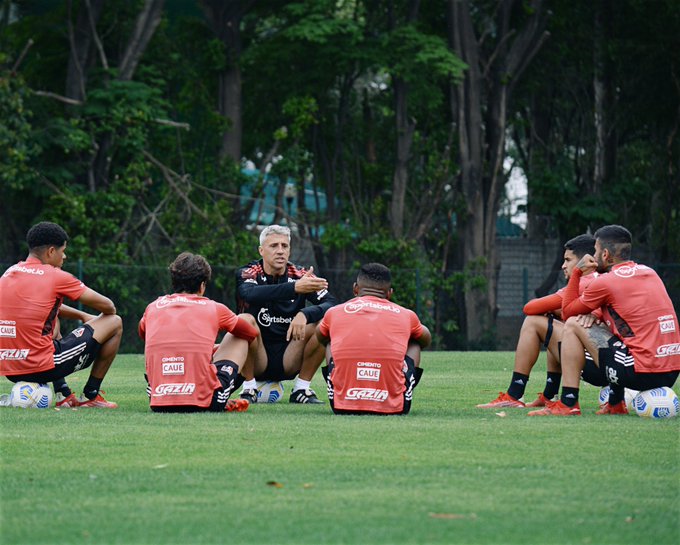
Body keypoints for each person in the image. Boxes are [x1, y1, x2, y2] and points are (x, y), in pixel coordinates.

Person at [528, 224, 680, 416]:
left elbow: (567, 312)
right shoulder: (650, 273)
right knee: (617, 334)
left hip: (642, 372)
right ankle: (615, 404)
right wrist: (598, 315)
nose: (593, 255)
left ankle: (568, 404)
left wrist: (576, 273)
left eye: (596, 250)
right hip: (671, 371)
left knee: (574, 324)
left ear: (606, 254)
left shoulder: (605, 281)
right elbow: (628, 320)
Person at [0, 221, 122, 408]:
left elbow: (42, 307)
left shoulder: (10, 272)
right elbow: (109, 306)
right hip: (40, 366)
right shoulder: (56, 276)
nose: (64, 256)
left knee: (51, 318)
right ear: (50, 252)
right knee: (114, 322)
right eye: (62, 250)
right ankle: (91, 395)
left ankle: (64, 395)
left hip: (10, 367)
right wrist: (91, 318)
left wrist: (82, 316)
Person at [477, 234, 606, 409]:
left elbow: (529, 308)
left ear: (584, 261)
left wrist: (555, 309)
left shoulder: (583, 283)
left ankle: (514, 394)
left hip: (590, 363)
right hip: (610, 363)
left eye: (568, 260)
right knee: (554, 323)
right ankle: (549, 396)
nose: (563, 265)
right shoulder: (604, 279)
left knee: (533, 322)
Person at [138, 252, 259, 412]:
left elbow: (144, 334)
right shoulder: (214, 308)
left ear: (174, 282)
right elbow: (250, 333)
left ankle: (167, 388)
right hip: (208, 401)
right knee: (243, 330)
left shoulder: (152, 307)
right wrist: (217, 348)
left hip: (159, 400)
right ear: (202, 285)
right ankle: (251, 385)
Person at [235, 225, 338, 404]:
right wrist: (294, 289)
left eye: (285, 246)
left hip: (290, 356)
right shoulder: (249, 272)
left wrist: (305, 314)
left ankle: (301, 389)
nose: (280, 251)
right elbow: (248, 294)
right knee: (244, 320)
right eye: (274, 246)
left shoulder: (301, 275)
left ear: (290, 251)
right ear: (261, 250)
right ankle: (249, 389)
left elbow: (333, 304)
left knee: (325, 322)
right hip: (257, 357)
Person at [316, 263, 432, 415]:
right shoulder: (406, 314)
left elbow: (319, 335)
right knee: (415, 342)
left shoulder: (334, 312)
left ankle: (342, 391)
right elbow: (426, 338)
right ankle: (396, 392)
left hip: (341, 406)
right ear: (389, 293)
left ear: (355, 289)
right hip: (395, 407)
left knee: (330, 341)